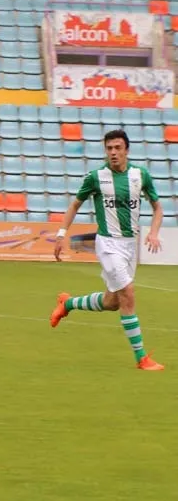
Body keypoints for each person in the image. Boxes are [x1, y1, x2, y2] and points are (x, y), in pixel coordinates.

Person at [49, 129, 165, 371]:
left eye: (117, 148)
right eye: (109, 148)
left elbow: (157, 208)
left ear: (126, 150)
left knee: (112, 302)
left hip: (129, 245)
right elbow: (75, 205)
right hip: (108, 244)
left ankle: (68, 304)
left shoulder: (140, 175)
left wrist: (153, 232)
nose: (113, 152)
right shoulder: (96, 177)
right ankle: (141, 358)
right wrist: (61, 234)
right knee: (128, 294)